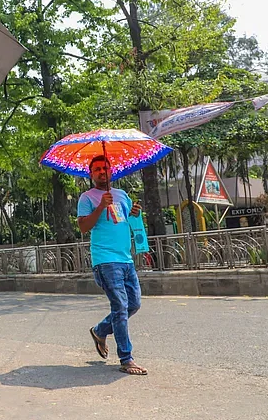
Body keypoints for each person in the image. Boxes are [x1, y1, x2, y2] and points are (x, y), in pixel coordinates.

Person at [77, 155, 148, 376]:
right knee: (120, 306)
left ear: (111, 171)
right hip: (105, 261)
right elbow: (83, 227)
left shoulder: (122, 195)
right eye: (96, 169)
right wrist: (100, 206)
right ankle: (127, 359)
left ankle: (100, 331)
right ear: (91, 174)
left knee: (133, 304)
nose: (101, 172)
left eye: (104, 168)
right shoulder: (87, 197)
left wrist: (134, 213)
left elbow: (124, 221)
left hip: (125, 259)